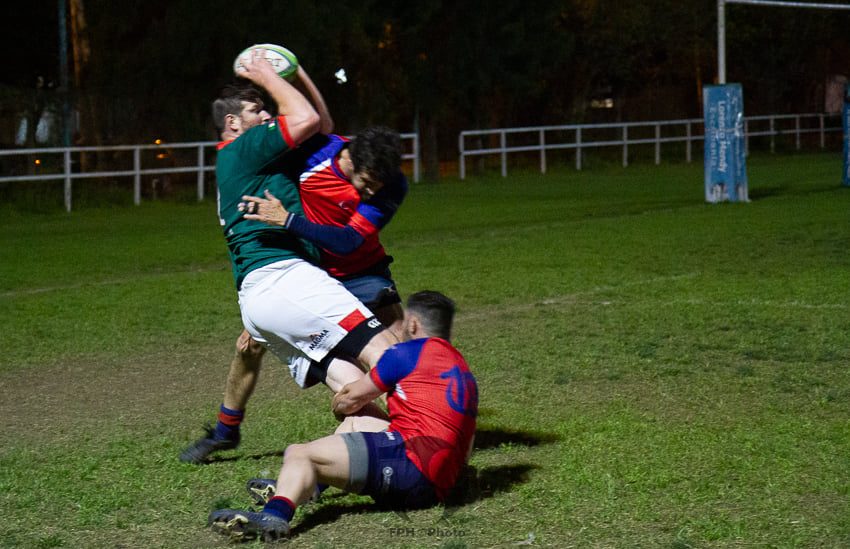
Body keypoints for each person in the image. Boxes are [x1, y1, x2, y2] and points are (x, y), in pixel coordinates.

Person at [179, 53, 406, 465]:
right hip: (290, 276)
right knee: (386, 351)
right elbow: (305, 119)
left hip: (344, 267)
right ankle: (423, 429)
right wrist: (268, 73)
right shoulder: (252, 149)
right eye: (255, 109)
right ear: (232, 123)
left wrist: (296, 69)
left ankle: (381, 442)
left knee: (346, 368)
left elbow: (317, 123)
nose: (266, 113)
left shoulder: (277, 155)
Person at [208, 291, 478, 542]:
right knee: (356, 421)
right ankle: (305, 486)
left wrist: (338, 405)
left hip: (409, 470)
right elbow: (466, 449)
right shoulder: (463, 370)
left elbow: (351, 399)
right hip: (437, 483)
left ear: (413, 324)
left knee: (300, 453)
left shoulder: (404, 353)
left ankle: (275, 515)